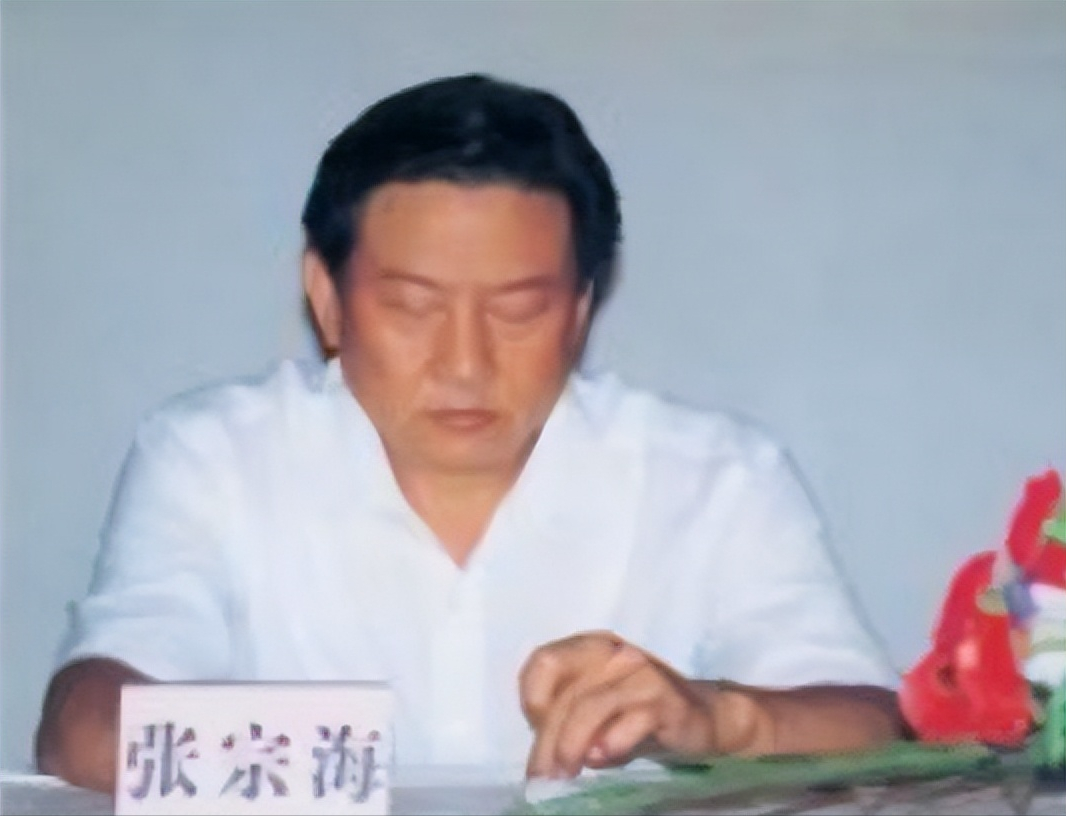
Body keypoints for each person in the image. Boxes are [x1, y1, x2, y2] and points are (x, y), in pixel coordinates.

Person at [35, 74, 902, 794]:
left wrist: (718, 720)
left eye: (518, 311)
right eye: (413, 307)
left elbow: (873, 730)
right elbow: (87, 731)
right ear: (327, 299)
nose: (465, 363)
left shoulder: (717, 477)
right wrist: (356, 774)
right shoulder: (214, 459)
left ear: (581, 309)